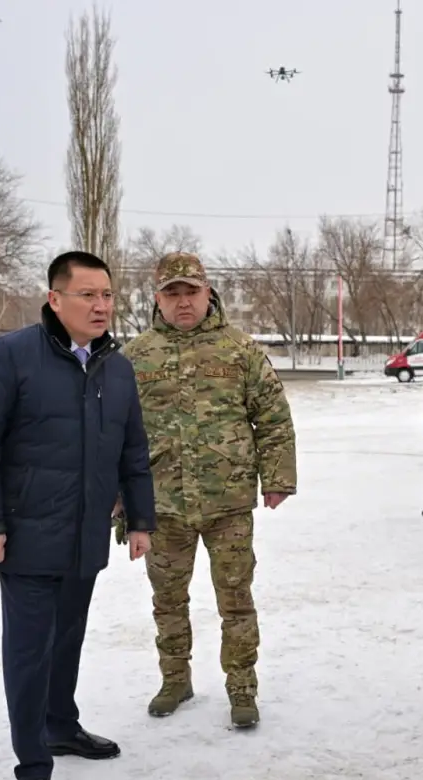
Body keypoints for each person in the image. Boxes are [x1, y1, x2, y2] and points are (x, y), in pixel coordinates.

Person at [0, 250, 156, 780]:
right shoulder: (10, 356)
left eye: (108, 295)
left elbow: (132, 450)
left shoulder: (116, 366)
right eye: (88, 295)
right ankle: (33, 771)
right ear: (55, 299)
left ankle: (62, 727)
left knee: (66, 641)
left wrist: (139, 520)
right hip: (25, 539)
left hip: (85, 536)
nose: (101, 306)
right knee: (27, 653)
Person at [123, 252, 297, 728]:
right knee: (167, 600)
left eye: (191, 293)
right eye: (172, 293)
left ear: (208, 293)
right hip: (162, 506)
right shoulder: (134, 357)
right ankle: (174, 678)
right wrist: (121, 500)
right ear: (157, 298)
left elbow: (273, 419)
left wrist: (277, 478)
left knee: (236, 598)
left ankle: (242, 688)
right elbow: (112, 434)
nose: (183, 303)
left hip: (228, 504)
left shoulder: (240, 350)